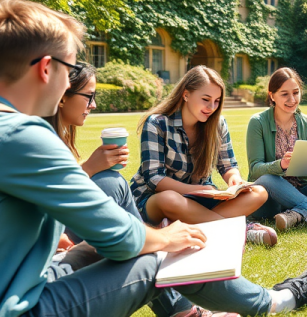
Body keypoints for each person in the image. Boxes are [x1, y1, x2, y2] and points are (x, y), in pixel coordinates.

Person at [0, 0, 307, 317]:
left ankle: (186, 312)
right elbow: (121, 239)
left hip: (16, 282)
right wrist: (165, 235)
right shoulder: (20, 135)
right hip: (11, 306)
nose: (69, 84)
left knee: (126, 220)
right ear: (45, 68)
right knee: (165, 250)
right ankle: (278, 301)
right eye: (69, 69)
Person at [44, 63, 216, 317]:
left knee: (113, 182)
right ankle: (180, 306)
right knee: (114, 184)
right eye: (89, 96)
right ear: (62, 96)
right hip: (46, 267)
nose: (93, 105)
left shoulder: (57, 135)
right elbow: (45, 197)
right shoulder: (38, 138)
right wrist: (90, 167)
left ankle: (179, 305)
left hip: (63, 239)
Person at [130, 66, 277, 246]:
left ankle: (186, 224)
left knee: (259, 192)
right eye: (206, 99)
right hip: (155, 199)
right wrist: (197, 191)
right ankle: (241, 230)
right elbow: (154, 179)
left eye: (216, 101)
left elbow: (228, 166)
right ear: (186, 94)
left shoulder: (218, 124)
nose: (211, 107)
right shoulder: (157, 123)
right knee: (170, 198)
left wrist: (235, 182)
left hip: (201, 200)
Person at [248, 68, 307, 230]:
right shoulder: (257, 122)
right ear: (272, 95)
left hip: (300, 191)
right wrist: (281, 165)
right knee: (268, 179)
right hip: (270, 196)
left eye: (295, 92)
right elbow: (254, 170)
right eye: (284, 94)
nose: (292, 99)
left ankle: (297, 214)